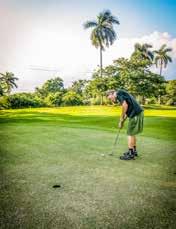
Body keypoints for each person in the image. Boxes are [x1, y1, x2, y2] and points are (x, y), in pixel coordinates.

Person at [107, 89, 144, 160]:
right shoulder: (121, 93)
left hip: (135, 114)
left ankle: (131, 154)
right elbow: (127, 109)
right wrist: (122, 121)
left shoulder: (118, 94)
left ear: (112, 94)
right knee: (132, 133)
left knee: (130, 134)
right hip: (136, 113)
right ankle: (134, 151)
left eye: (110, 97)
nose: (111, 100)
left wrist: (121, 118)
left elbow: (125, 106)